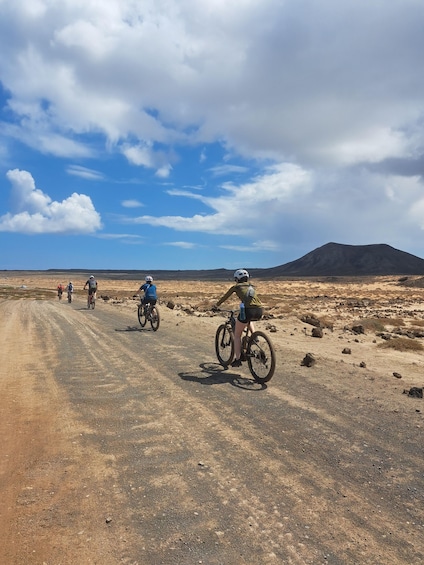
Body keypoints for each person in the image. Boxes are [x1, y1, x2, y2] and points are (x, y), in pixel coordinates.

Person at [214, 269, 263, 367]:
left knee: (237, 336)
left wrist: (216, 305)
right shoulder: (251, 286)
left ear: (236, 279)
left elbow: (225, 297)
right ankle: (254, 336)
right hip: (260, 310)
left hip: (248, 311)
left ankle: (238, 359)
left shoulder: (236, 287)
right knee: (248, 320)